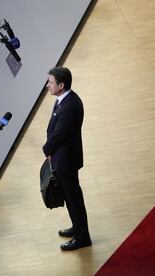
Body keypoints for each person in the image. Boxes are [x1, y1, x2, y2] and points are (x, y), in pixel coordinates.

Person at [42, 66, 91, 251]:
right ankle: (77, 229)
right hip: (64, 158)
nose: (47, 85)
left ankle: (82, 237)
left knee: (73, 199)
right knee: (72, 198)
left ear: (61, 85)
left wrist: (46, 149)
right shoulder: (66, 99)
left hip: (66, 161)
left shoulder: (69, 106)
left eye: (51, 82)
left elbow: (59, 134)